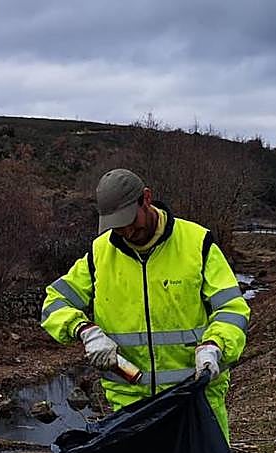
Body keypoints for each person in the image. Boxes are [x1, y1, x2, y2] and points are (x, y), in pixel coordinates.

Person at [40, 168, 250, 439]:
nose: (127, 231)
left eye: (130, 220)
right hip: (131, 410)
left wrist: (215, 345)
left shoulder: (197, 243)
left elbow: (232, 309)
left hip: (196, 400)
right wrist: (84, 330)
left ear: (146, 199)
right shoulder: (100, 254)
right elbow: (54, 302)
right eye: (118, 225)